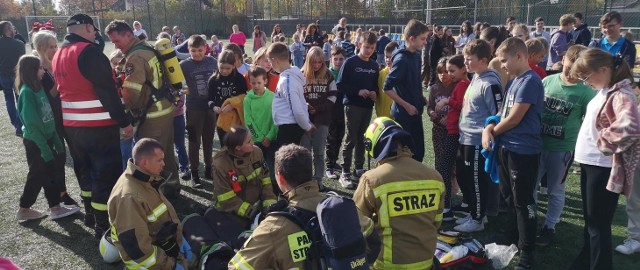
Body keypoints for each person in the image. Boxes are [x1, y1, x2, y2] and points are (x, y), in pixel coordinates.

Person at [229, 144, 377, 269]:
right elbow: (374, 242)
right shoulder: (341, 207)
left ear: (279, 177)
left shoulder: (273, 227)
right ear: (309, 172)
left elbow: (237, 267)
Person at [52, 14, 133, 238]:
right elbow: (106, 91)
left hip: (72, 126)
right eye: (94, 30)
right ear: (88, 27)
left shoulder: (59, 52)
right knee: (105, 174)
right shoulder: (89, 52)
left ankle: (89, 212)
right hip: (97, 125)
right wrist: (124, 121)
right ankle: (103, 225)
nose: (95, 35)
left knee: (84, 171)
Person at [568, 48, 640, 270]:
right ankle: (585, 262)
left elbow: (631, 126)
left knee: (598, 225)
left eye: (586, 77)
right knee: (592, 222)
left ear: (604, 69)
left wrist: (603, 142)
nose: (585, 82)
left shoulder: (621, 93)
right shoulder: (607, 89)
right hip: (591, 163)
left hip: (602, 165)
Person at [482, 37, 544, 270]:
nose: (503, 65)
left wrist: (492, 133)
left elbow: (515, 118)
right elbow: (502, 113)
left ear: (520, 56)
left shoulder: (530, 81)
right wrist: (489, 128)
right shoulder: (515, 80)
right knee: (509, 197)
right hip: (507, 147)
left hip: (523, 151)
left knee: (523, 201)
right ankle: (512, 238)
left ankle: (527, 252)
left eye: (505, 60)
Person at [354, 117, 444, 269]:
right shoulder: (435, 177)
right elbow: (436, 222)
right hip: (427, 264)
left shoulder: (372, 180)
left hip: (387, 265)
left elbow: (356, 224)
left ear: (372, 145)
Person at [105, 20, 181, 198]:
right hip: (165, 109)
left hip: (152, 116)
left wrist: (126, 111)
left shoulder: (135, 57)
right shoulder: (147, 48)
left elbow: (131, 92)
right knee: (166, 150)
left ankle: (156, 192)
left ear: (129, 35)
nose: (116, 45)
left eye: (117, 41)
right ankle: (172, 185)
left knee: (150, 157)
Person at [535, 45, 594, 247]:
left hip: (562, 149)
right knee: (531, 185)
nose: (568, 72)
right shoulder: (547, 81)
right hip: (538, 144)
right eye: (567, 66)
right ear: (563, 60)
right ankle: (529, 219)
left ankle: (549, 226)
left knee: (555, 190)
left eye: (574, 69)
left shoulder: (587, 92)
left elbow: (591, 121)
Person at [15, 55, 81, 221]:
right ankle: (24, 208)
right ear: (31, 71)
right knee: (37, 175)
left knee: (49, 174)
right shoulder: (27, 92)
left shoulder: (39, 89)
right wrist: (44, 148)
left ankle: (55, 207)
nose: (43, 71)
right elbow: (32, 125)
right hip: (36, 143)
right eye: (39, 68)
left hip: (47, 140)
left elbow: (48, 117)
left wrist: (56, 140)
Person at [108, 138, 190, 270]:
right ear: (145, 162)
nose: (164, 164)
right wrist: (171, 265)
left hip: (160, 246)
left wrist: (179, 240)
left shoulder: (145, 178)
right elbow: (139, 251)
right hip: (146, 263)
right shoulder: (128, 197)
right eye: (159, 160)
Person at [454, 40, 503, 231]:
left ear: (483, 60)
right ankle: (474, 213)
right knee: (465, 177)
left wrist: (487, 132)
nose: (465, 62)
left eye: (469, 59)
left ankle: (478, 219)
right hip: (464, 137)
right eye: (465, 58)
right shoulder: (477, 77)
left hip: (476, 141)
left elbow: (497, 113)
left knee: (476, 180)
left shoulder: (490, 82)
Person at [32, 30, 79, 207]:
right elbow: (50, 95)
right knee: (58, 159)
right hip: (52, 121)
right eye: (50, 47)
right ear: (40, 48)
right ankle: (61, 194)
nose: (55, 50)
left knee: (76, 154)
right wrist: (63, 79)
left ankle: (84, 190)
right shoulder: (37, 69)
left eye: (55, 46)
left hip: (69, 116)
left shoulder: (56, 63)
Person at [337, 31, 379, 189]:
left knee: (362, 138)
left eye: (372, 48)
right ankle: (345, 171)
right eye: (367, 47)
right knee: (351, 138)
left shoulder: (374, 65)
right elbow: (340, 85)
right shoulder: (350, 62)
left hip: (367, 107)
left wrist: (375, 92)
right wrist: (357, 91)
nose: (369, 50)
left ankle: (359, 169)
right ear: (360, 45)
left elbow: (375, 85)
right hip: (352, 105)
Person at [384, 19, 430, 162]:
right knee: (406, 154)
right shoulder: (402, 59)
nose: (425, 42)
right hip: (404, 115)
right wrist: (407, 105)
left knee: (419, 153)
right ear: (412, 38)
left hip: (415, 112)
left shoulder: (416, 55)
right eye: (423, 39)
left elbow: (411, 81)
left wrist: (419, 96)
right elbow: (387, 88)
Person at [211, 126, 277, 223]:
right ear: (238, 147)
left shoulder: (257, 152)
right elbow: (227, 199)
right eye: (249, 142)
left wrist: (270, 205)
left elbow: (266, 180)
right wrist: (252, 213)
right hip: (231, 212)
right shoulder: (221, 165)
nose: (253, 143)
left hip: (256, 205)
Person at [181, 35, 217, 188]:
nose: (197, 53)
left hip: (210, 108)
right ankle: (194, 173)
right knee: (194, 141)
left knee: (208, 140)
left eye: (200, 50)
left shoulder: (212, 61)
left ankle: (209, 169)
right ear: (189, 50)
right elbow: (177, 84)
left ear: (205, 49)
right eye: (193, 50)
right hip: (194, 108)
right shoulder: (184, 65)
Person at [300, 47, 337, 190]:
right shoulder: (301, 74)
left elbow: (333, 96)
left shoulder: (328, 75)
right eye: (313, 62)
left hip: (322, 120)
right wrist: (305, 105)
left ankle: (318, 179)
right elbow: (296, 95)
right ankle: (306, 179)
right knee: (305, 152)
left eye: (319, 62)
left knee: (319, 152)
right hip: (304, 120)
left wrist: (319, 108)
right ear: (308, 61)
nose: (316, 65)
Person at [268, 42, 315, 148]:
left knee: (287, 161)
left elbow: (297, 110)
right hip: (289, 127)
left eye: (270, 62)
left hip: (289, 128)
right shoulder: (289, 77)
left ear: (275, 61)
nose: (270, 65)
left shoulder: (287, 81)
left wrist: (307, 126)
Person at [427, 58, 455, 220]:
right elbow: (430, 107)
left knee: (451, 163)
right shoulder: (434, 89)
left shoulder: (457, 86)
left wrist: (448, 118)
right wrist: (433, 115)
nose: (443, 75)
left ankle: (450, 191)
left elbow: (460, 106)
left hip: (452, 130)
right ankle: (441, 194)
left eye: (446, 71)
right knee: (440, 162)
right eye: (440, 72)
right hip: (438, 130)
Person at [244, 66, 278, 181]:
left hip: (271, 140)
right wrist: (259, 137)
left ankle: (273, 189)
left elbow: (276, 119)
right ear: (250, 82)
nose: (256, 86)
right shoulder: (247, 99)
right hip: (256, 141)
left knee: (272, 166)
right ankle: (257, 190)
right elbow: (248, 121)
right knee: (256, 168)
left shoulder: (273, 97)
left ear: (265, 81)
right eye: (253, 83)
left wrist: (269, 137)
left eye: (259, 82)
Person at [207, 49, 248, 143]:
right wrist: (214, 107)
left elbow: (244, 96)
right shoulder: (213, 80)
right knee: (224, 142)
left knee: (236, 142)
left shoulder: (239, 79)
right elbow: (210, 99)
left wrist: (233, 105)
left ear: (234, 65)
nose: (224, 71)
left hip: (236, 118)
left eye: (228, 68)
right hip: (221, 118)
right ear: (217, 64)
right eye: (221, 68)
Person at [325, 46, 347, 180]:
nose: (338, 62)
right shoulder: (328, 74)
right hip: (331, 111)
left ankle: (334, 162)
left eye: (341, 59)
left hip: (343, 110)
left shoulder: (346, 72)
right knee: (331, 139)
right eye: (336, 59)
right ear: (331, 59)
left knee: (340, 137)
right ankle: (329, 166)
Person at [0, 21, 25, 136]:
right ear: (9, 29)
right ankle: (19, 126)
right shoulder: (19, 43)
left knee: (9, 100)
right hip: (16, 75)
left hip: (3, 75)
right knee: (19, 99)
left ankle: (16, 124)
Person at [376, 41, 398, 119]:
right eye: (386, 57)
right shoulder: (381, 74)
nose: (388, 60)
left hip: (396, 118)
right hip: (381, 117)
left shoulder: (401, 75)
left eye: (391, 57)